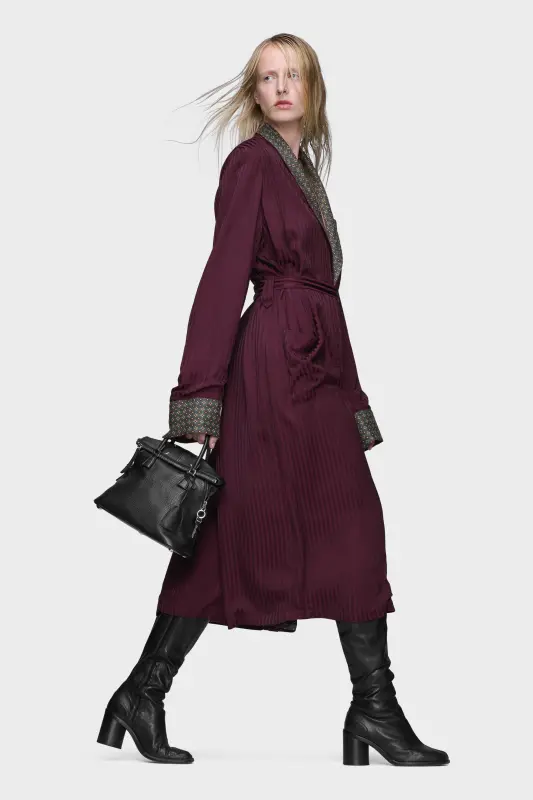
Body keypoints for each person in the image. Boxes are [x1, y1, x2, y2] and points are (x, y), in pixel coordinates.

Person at [97, 33, 449, 767]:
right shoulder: (253, 163)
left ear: (312, 87)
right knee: (249, 527)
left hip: (312, 367)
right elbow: (223, 277)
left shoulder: (302, 168)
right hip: (271, 371)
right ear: (254, 93)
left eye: (293, 75)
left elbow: (323, 298)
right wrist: (200, 399)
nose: (282, 87)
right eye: (267, 77)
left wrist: (350, 396)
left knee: (344, 525)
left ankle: (363, 707)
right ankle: (153, 692)